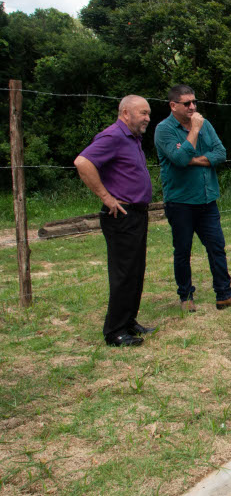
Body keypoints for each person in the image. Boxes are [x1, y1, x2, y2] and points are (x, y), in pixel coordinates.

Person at [154, 85, 231, 312]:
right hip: (180, 201)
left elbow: (221, 153)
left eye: (194, 102)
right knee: (183, 250)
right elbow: (178, 159)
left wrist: (194, 159)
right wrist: (194, 131)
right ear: (173, 105)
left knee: (217, 247)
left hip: (207, 200)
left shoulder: (205, 124)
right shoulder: (164, 129)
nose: (193, 107)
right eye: (187, 103)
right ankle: (186, 296)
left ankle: (224, 295)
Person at [74, 95, 156, 346]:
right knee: (123, 273)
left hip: (137, 214)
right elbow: (83, 162)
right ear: (125, 113)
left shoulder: (132, 138)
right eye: (142, 113)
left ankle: (129, 321)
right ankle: (115, 331)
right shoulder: (113, 136)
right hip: (121, 215)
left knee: (135, 270)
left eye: (149, 113)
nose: (147, 118)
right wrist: (107, 198)